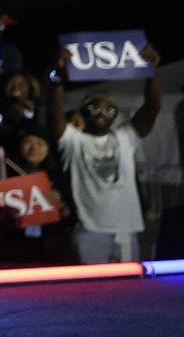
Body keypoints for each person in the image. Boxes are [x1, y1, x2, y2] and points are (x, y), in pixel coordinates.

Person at [48, 43, 163, 262]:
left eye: (110, 109)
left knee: (128, 292)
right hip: (89, 230)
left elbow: (152, 108)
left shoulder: (124, 137)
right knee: (93, 292)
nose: (102, 112)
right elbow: (54, 114)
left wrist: (151, 72)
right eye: (95, 107)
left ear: (116, 116)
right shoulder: (73, 140)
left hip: (125, 231)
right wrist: (59, 76)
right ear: (83, 112)